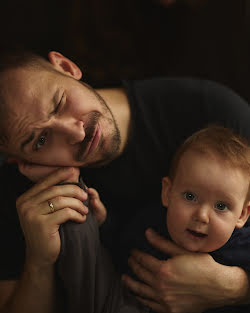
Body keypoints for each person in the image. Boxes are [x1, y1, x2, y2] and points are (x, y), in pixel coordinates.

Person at [0, 49, 250, 313]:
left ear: (66, 66)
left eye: (60, 103)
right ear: (19, 161)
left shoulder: (212, 113)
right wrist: (39, 261)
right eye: (40, 141)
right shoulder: (16, 197)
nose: (75, 132)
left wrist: (234, 287)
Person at [84, 125, 250, 313]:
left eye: (221, 206)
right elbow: (120, 242)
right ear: (167, 192)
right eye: (190, 197)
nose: (202, 216)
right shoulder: (150, 224)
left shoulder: (243, 245)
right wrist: (103, 221)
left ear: (242, 215)